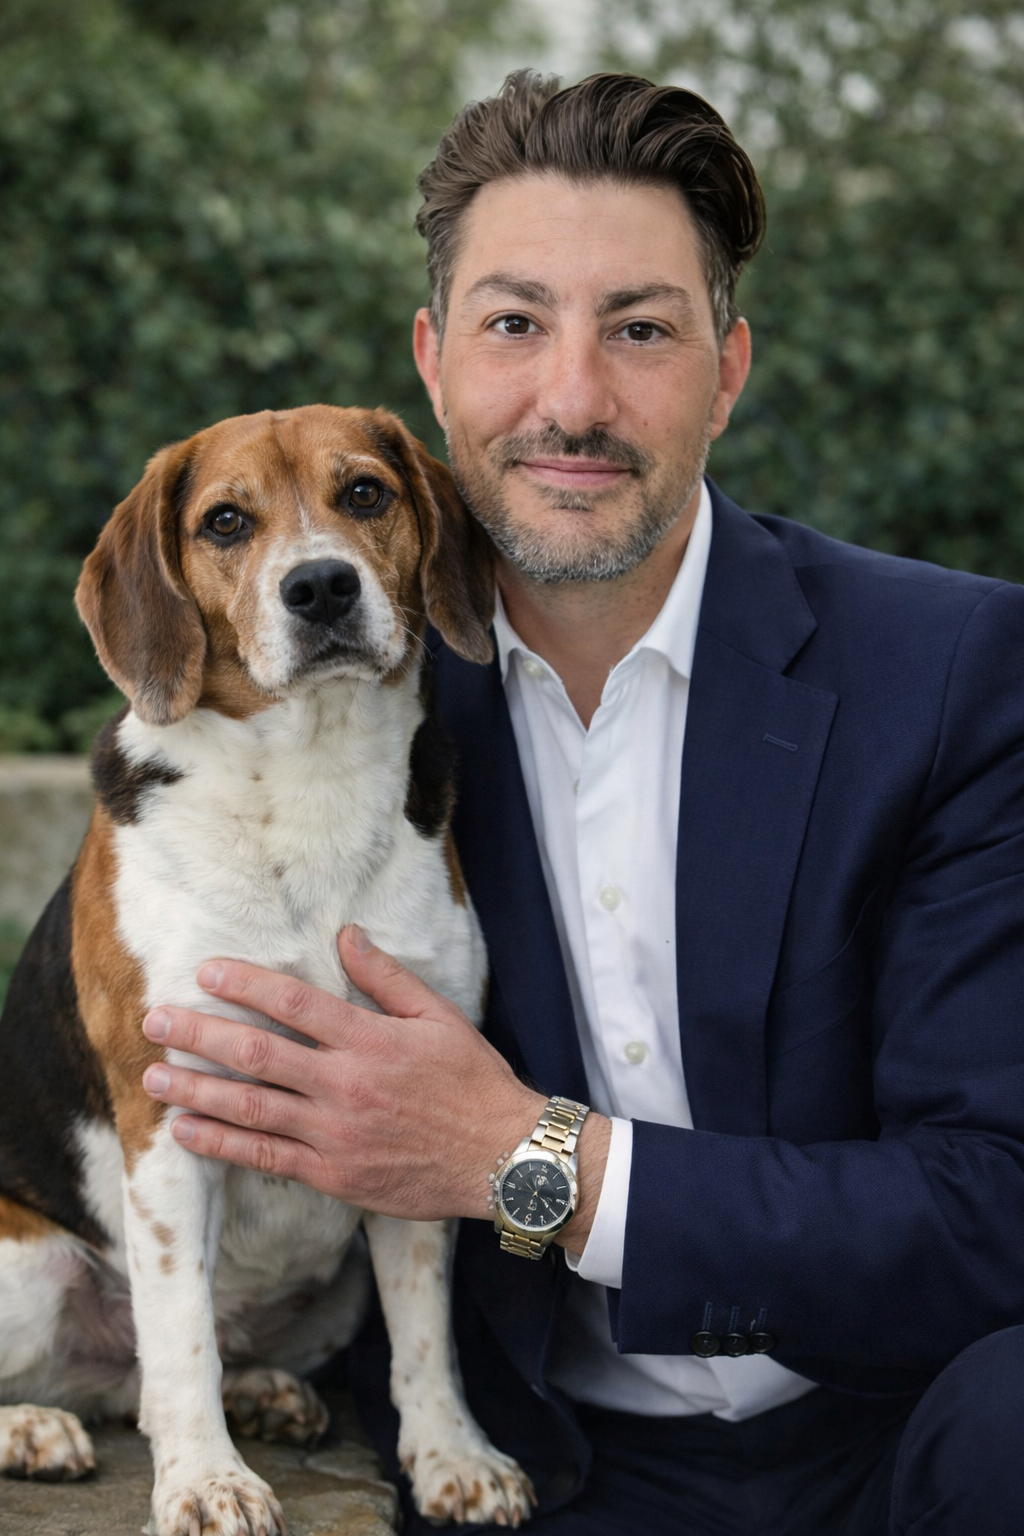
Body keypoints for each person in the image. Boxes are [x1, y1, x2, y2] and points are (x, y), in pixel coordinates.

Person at [138, 72, 1024, 1533]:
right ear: (433, 362)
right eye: (514, 323)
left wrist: (527, 1161)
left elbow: (993, 1203)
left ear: (727, 368)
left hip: (899, 1432)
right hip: (534, 1467)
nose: (572, 400)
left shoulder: (953, 673)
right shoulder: (325, 711)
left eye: (641, 329)